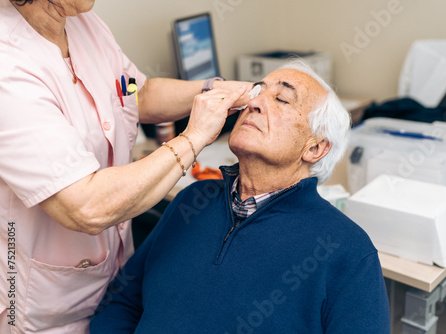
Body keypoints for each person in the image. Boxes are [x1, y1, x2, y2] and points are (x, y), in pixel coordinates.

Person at [0, 0, 251, 332]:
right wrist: (193, 137)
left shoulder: (85, 26)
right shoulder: (9, 65)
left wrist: (212, 90)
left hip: (116, 287)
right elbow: (85, 206)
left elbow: (136, 92)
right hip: (43, 308)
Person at [89, 61, 391, 333]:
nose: (255, 102)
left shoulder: (348, 252)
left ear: (315, 148)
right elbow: (121, 303)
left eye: (282, 99)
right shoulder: (191, 201)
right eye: (257, 92)